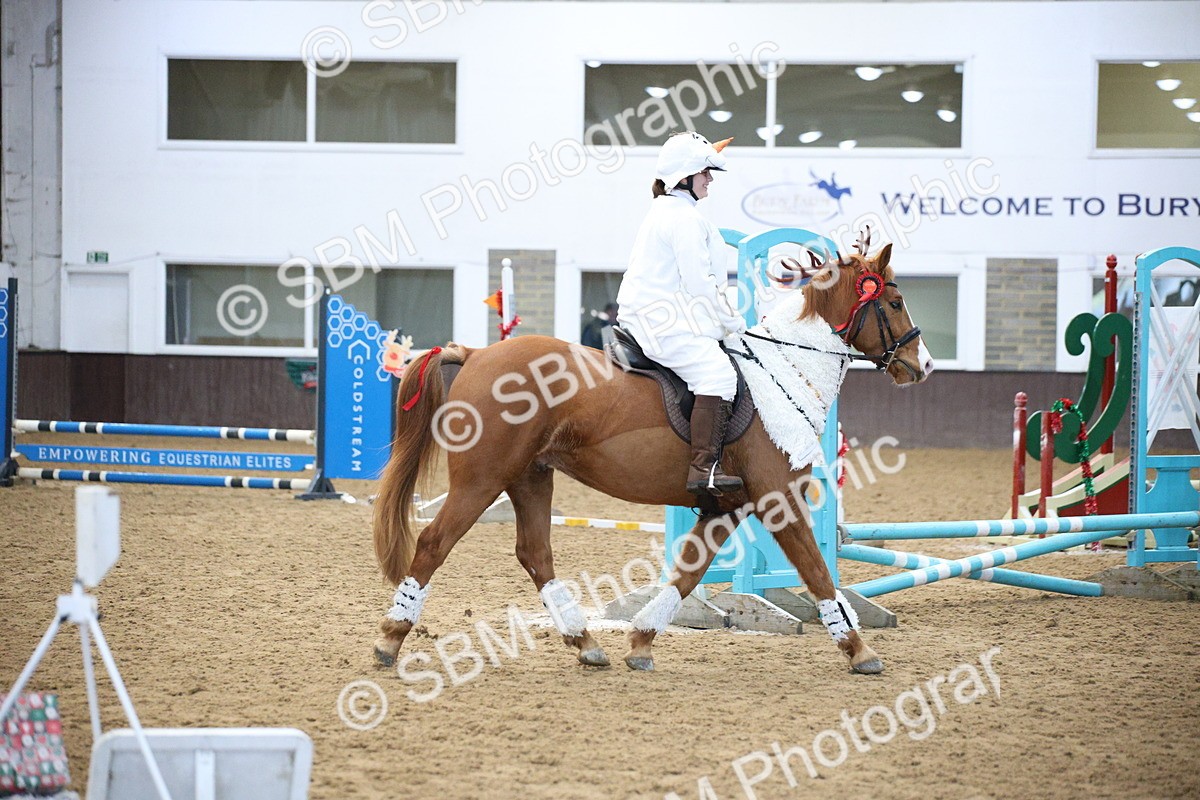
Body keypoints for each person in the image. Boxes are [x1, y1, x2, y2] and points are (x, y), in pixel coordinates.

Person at [616, 132, 746, 497]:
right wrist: (733, 323)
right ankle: (702, 470)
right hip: (660, 323)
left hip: (658, 315)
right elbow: (700, 284)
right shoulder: (683, 219)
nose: (711, 179)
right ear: (685, 176)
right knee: (719, 375)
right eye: (706, 172)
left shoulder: (669, 211)